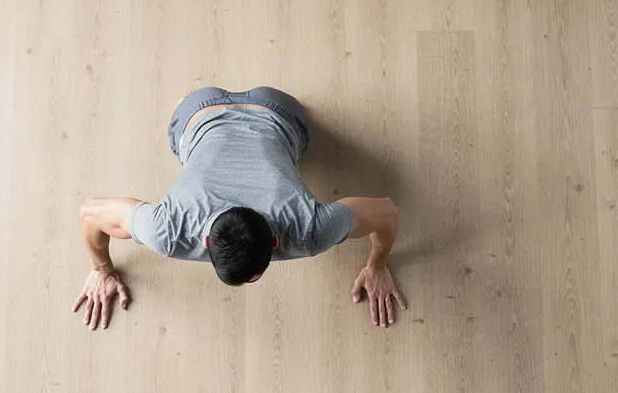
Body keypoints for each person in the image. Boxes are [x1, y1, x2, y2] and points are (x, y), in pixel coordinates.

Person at [73, 86, 405, 330]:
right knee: (189, 135)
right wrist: (102, 269)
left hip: (268, 109)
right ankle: (186, 107)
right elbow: (90, 212)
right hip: (256, 105)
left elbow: (91, 211)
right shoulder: (167, 229)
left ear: (205, 243)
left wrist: (378, 265)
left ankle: (187, 107)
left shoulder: (309, 231)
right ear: (275, 243)